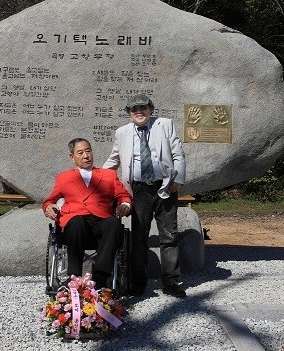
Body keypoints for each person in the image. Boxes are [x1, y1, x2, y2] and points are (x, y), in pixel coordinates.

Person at [103, 94, 186, 298]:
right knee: (139, 238)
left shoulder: (165, 125)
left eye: (143, 108)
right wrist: (93, 177)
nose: (139, 112)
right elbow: (114, 160)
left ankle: (171, 282)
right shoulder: (122, 133)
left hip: (165, 186)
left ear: (150, 109)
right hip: (139, 191)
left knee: (169, 236)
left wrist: (178, 179)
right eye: (134, 109)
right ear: (129, 114)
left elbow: (178, 153)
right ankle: (138, 283)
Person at [42, 138, 132, 289]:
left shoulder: (108, 175)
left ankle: (101, 277)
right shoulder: (64, 178)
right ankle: (74, 277)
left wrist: (125, 204)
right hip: (76, 225)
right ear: (72, 157)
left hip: (100, 223)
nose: (86, 156)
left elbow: (123, 195)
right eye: (80, 152)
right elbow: (50, 199)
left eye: (88, 151)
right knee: (76, 222)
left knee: (114, 223)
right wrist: (48, 206)